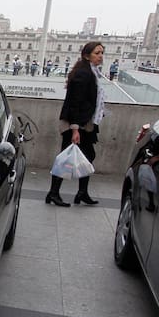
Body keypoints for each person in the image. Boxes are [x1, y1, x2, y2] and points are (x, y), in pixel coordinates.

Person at [46, 41, 106, 207]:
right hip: (76, 123)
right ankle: (54, 192)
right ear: (87, 55)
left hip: (85, 122)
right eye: (97, 53)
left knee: (87, 156)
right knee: (65, 158)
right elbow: (76, 102)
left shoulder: (91, 71)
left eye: (102, 53)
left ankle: (81, 192)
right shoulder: (84, 73)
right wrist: (75, 129)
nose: (100, 56)